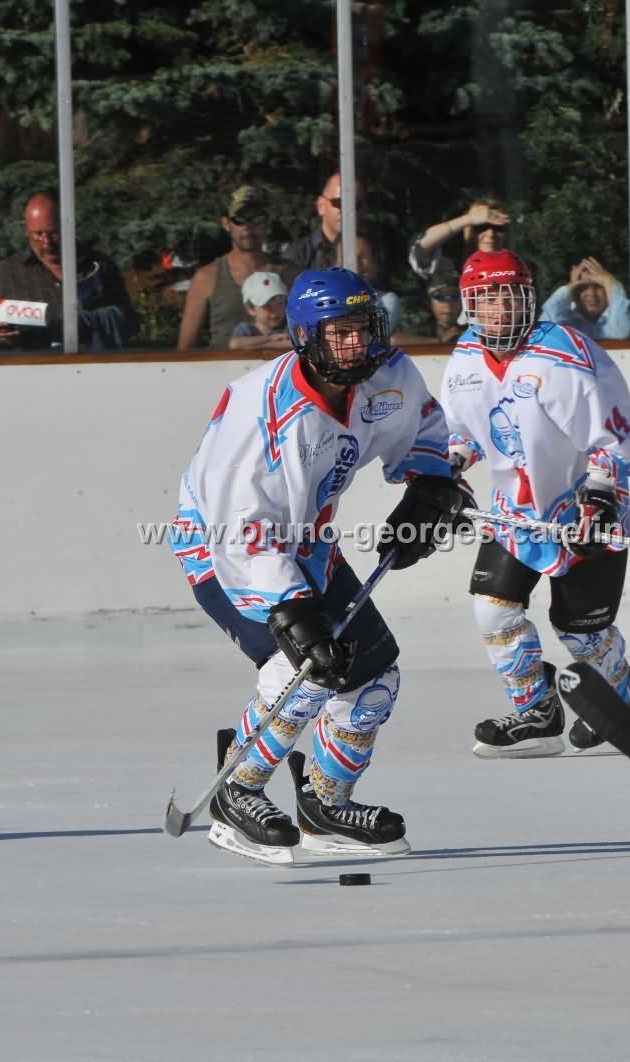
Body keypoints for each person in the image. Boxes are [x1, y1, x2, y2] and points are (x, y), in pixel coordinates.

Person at [170, 267, 469, 864]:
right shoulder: (261, 412)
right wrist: (292, 608)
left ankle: (326, 806)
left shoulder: (388, 375)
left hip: (307, 542)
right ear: (306, 337)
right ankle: (237, 792)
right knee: (303, 668)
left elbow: (426, 429)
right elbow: (239, 530)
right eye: (340, 332)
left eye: (364, 327)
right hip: (225, 549)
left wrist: (430, 485)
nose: (357, 343)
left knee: (373, 677)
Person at [439, 248, 630, 757]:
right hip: (514, 512)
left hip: (581, 510)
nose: (500, 308)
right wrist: (446, 471)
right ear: (470, 305)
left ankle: (622, 690)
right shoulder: (465, 358)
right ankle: (537, 710)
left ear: (529, 298)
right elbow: (461, 432)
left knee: (580, 632)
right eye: (488, 298)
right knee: (493, 610)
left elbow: (617, 439)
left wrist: (598, 498)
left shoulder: (565, 354)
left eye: (510, 295)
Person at [0, 192, 134, 352]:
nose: (46, 242)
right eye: (38, 234)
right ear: (26, 231)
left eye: (54, 233)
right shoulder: (6, 272)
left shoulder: (98, 266)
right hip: (29, 367)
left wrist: (83, 323)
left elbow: (128, 322)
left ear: (68, 227)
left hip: (88, 365)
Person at [176, 185, 277, 351]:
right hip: (222, 366)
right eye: (239, 219)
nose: (247, 226)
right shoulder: (207, 277)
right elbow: (185, 348)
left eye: (256, 219)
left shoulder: (290, 274)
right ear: (226, 223)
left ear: (266, 222)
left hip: (277, 366)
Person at [406, 199, 511, 280]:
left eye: (498, 228)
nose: (491, 234)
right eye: (481, 227)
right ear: (470, 231)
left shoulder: (515, 268)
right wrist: (468, 219)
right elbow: (420, 249)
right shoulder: (450, 268)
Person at [541, 257, 630, 341]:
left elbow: (620, 335)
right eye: (583, 286)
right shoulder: (564, 320)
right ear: (573, 290)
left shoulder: (620, 316)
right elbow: (545, 334)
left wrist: (609, 280)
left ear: (608, 288)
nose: (591, 293)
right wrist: (569, 288)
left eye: (598, 285)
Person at [228, 270, 289, 353]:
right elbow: (235, 344)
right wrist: (271, 338)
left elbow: (297, 343)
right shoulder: (245, 329)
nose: (275, 310)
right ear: (251, 309)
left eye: (280, 303)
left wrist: (259, 345)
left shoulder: (289, 327)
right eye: (267, 305)